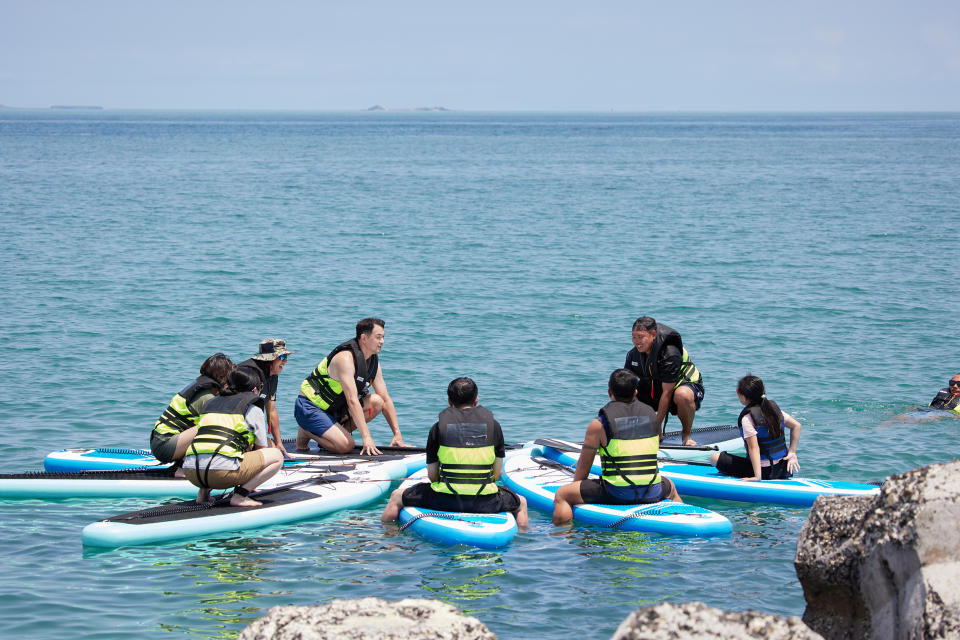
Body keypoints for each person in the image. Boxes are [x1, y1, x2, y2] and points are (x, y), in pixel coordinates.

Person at [381, 377, 528, 528]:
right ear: (476, 401)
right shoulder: (494, 427)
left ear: (450, 402)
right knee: (521, 502)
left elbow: (432, 476)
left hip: (445, 500)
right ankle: (523, 544)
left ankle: (388, 540)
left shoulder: (438, 428)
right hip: (486, 502)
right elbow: (496, 474)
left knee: (396, 497)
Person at [552, 369, 682, 525]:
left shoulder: (599, 425)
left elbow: (583, 468)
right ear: (635, 392)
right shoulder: (652, 417)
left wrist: (576, 488)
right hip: (652, 491)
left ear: (609, 392)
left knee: (562, 495)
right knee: (671, 487)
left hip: (618, 493)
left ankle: (563, 536)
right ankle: (682, 520)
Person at [295, 318, 404, 456]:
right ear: (364, 338)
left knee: (377, 402)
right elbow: (352, 400)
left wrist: (397, 434)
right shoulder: (345, 359)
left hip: (335, 409)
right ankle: (306, 431)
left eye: (383, 337)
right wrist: (366, 437)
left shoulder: (373, 362)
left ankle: (335, 435)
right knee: (346, 445)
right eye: (378, 337)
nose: (382, 341)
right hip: (310, 407)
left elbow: (386, 399)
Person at [182, 367, 284, 506]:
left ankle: (203, 495)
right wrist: (249, 480)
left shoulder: (210, 404)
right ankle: (240, 496)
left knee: (215, 443)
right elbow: (261, 449)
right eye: (261, 387)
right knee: (276, 456)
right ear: (254, 389)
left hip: (190, 472)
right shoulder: (252, 409)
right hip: (220, 473)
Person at [624, 316, 704, 445]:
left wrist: (656, 426)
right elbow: (624, 387)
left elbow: (667, 392)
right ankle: (648, 434)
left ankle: (686, 435)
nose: (636, 341)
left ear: (653, 334)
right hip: (657, 389)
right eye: (634, 337)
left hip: (683, 387)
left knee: (682, 395)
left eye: (640, 337)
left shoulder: (670, 353)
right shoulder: (633, 354)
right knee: (629, 393)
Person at [709, 375, 801, 481]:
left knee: (714, 457)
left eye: (738, 390)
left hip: (764, 472)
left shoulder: (747, 419)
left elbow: (754, 448)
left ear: (744, 396)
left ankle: (756, 474)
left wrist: (757, 476)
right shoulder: (774, 410)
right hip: (783, 469)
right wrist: (792, 452)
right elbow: (797, 426)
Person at [149, 353, 235, 465]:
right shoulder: (206, 397)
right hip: (165, 446)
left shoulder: (201, 388)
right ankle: (183, 467)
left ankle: (184, 463)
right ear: (223, 377)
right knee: (211, 426)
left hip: (162, 442)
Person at [237, 338, 293, 459]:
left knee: (275, 451)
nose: (286, 362)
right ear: (270, 359)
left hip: (251, 426)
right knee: (269, 455)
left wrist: (279, 443)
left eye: (286, 357)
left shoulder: (272, 375)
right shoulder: (249, 374)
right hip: (236, 426)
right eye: (282, 357)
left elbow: (271, 410)